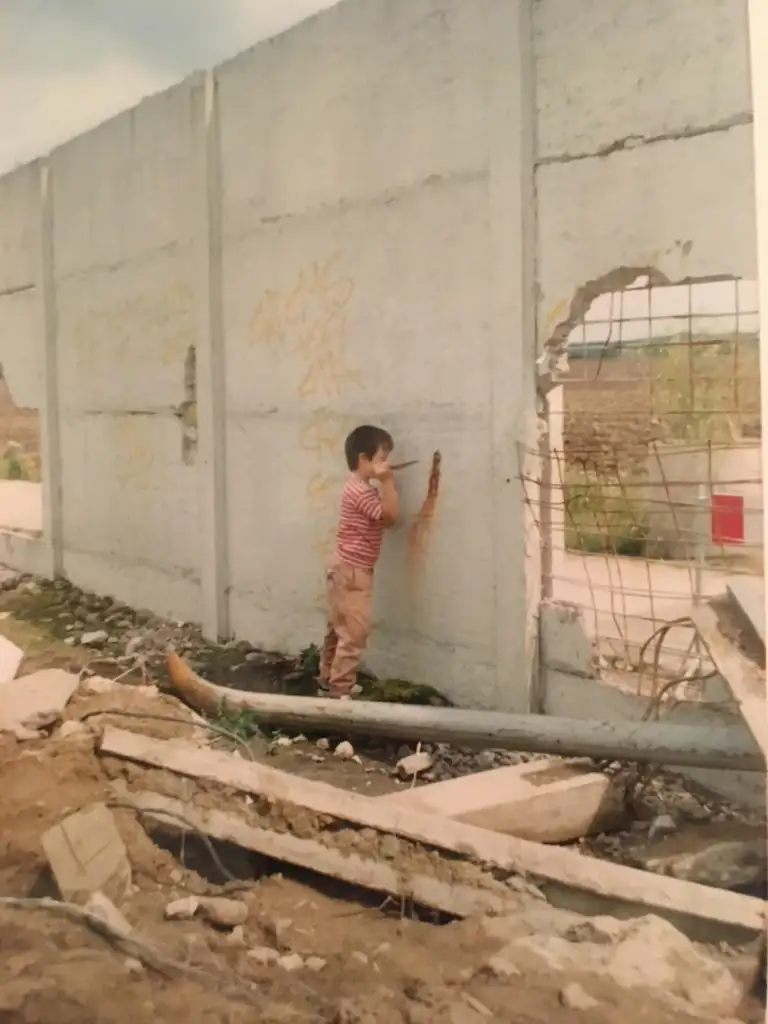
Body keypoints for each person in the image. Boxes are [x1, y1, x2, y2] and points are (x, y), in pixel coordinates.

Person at [318, 425, 399, 699]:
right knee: (355, 632)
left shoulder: (353, 486)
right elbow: (389, 517)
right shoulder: (362, 492)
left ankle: (326, 677)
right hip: (353, 572)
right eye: (382, 458)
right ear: (364, 459)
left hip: (341, 567)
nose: (386, 464)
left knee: (337, 626)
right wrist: (387, 482)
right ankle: (339, 691)